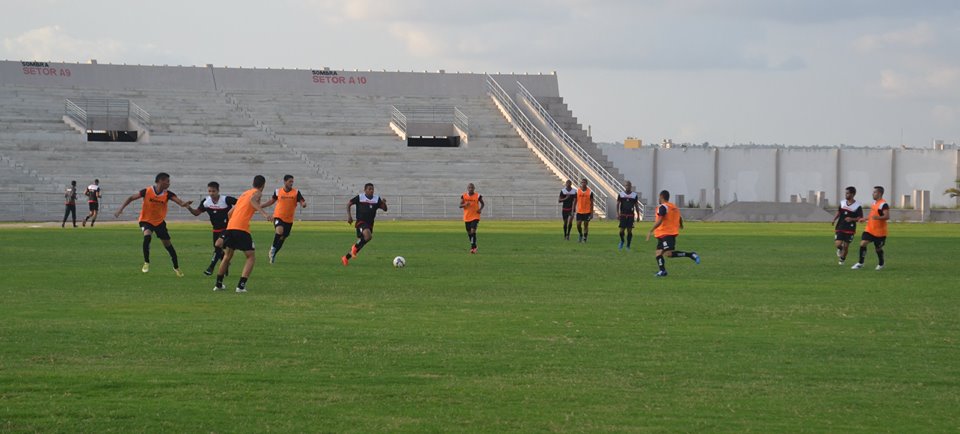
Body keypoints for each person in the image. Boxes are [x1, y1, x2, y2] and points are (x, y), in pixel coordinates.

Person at [114, 173, 193, 276]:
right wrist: (120, 209)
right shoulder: (147, 191)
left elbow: (180, 202)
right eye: (167, 181)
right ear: (160, 181)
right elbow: (131, 198)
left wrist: (185, 204)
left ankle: (176, 267)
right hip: (146, 220)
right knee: (147, 237)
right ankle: (146, 262)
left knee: (168, 246)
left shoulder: (168, 194)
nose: (169, 183)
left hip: (159, 222)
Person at [214, 175, 270, 293]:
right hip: (241, 228)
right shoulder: (257, 192)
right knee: (250, 257)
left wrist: (233, 225)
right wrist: (264, 214)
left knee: (227, 256)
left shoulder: (244, 194)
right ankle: (241, 286)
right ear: (263, 185)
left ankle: (218, 285)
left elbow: (230, 213)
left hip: (231, 227)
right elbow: (253, 201)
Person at [187, 181, 238, 275]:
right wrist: (188, 207)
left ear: (218, 191)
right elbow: (196, 213)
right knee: (219, 250)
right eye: (209, 191)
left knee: (218, 245)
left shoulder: (226, 199)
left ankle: (210, 268)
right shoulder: (206, 202)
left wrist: (234, 214)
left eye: (213, 191)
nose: (211, 193)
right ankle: (225, 267)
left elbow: (240, 204)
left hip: (227, 228)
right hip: (215, 229)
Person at [645, 190, 700, 277]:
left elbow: (659, 220)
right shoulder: (673, 206)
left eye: (659, 197)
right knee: (658, 253)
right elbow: (679, 217)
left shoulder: (663, 207)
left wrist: (650, 231)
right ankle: (662, 271)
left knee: (668, 254)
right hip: (663, 234)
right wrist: (681, 224)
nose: (658, 199)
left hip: (666, 233)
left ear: (662, 197)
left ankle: (691, 254)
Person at [261, 175, 307, 264]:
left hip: (289, 220)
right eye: (290, 181)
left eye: (292, 182)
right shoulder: (278, 191)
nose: (291, 183)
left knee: (282, 238)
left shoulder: (296, 192)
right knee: (279, 231)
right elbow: (271, 201)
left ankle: (273, 254)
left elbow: (302, 201)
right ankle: (273, 248)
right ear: (285, 182)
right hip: (278, 216)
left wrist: (304, 204)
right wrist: (261, 206)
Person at [341, 183, 388, 266]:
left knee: (362, 242)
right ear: (365, 190)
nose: (371, 190)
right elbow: (349, 204)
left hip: (370, 224)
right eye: (369, 189)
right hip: (361, 222)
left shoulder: (376, 199)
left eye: (372, 189)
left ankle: (346, 257)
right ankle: (354, 248)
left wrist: (384, 203)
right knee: (368, 236)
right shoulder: (360, 197)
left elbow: (385, 209)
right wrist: (349, 216)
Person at [852, 186, 890, 270]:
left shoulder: (883, 204)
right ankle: (860, 263)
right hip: (870, 229)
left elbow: (887, 216)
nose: (873, 194)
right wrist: (864, 219)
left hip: (880, 232)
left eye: (874, 192)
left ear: (879, 193)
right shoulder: (874, 203)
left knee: (878, 249)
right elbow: (872, 216)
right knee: (863, 243)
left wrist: (878, 218)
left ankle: (881, 263)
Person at [831, 186, 863, 265]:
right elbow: (839, 212)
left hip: (850, 228)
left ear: (852, 194)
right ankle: (839, 249)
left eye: (847, 193)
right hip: (840, 226)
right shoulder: (842, 203)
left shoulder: (857, 206)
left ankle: (842, 259)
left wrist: (851, 219)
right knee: (838, 244)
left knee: (846, 246)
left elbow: (860, 218)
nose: (846, 195)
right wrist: (834, 219)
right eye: (846, 193)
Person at [459, 183, 485, 253]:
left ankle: (473, 248)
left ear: (474, 188)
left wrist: (480, 209)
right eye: (469, 188)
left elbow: (483, 203)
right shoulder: (464, 196)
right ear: (467, 188)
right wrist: (465, 204)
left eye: (472, 188)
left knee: (473, 230)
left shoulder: (478, 196)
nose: (471, 189)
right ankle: (474, 245)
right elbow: (460, 205)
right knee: (469, 232)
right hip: (467, 217)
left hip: (475, 216)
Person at [617, 181, 641, 250]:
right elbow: (618, 204)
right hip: (623, 215)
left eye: (629, 185)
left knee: (629, 231)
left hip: (631, 215)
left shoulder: (634, 195)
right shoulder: (621, 194)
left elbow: (636, 206)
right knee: (621, 231)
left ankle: (628, 245)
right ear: (625, 186)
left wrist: (638, 215)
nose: (627, 187)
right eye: (626, 185)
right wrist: (618, 214)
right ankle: (622, 241)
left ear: (631, 186)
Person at [573, 178, 594, 243]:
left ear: (586, 184)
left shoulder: (590, 192)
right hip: (579, 211)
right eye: (582, 182)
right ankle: (580, 234)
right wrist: (573, 209)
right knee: (578, 225)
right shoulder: (577, 191)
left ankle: (585, 238)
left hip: (587, 211)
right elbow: (575, 201)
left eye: (584, 182)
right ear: (581, 183)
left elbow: (592, 203)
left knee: (586, 225)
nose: (583, 184)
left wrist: (591, 213)